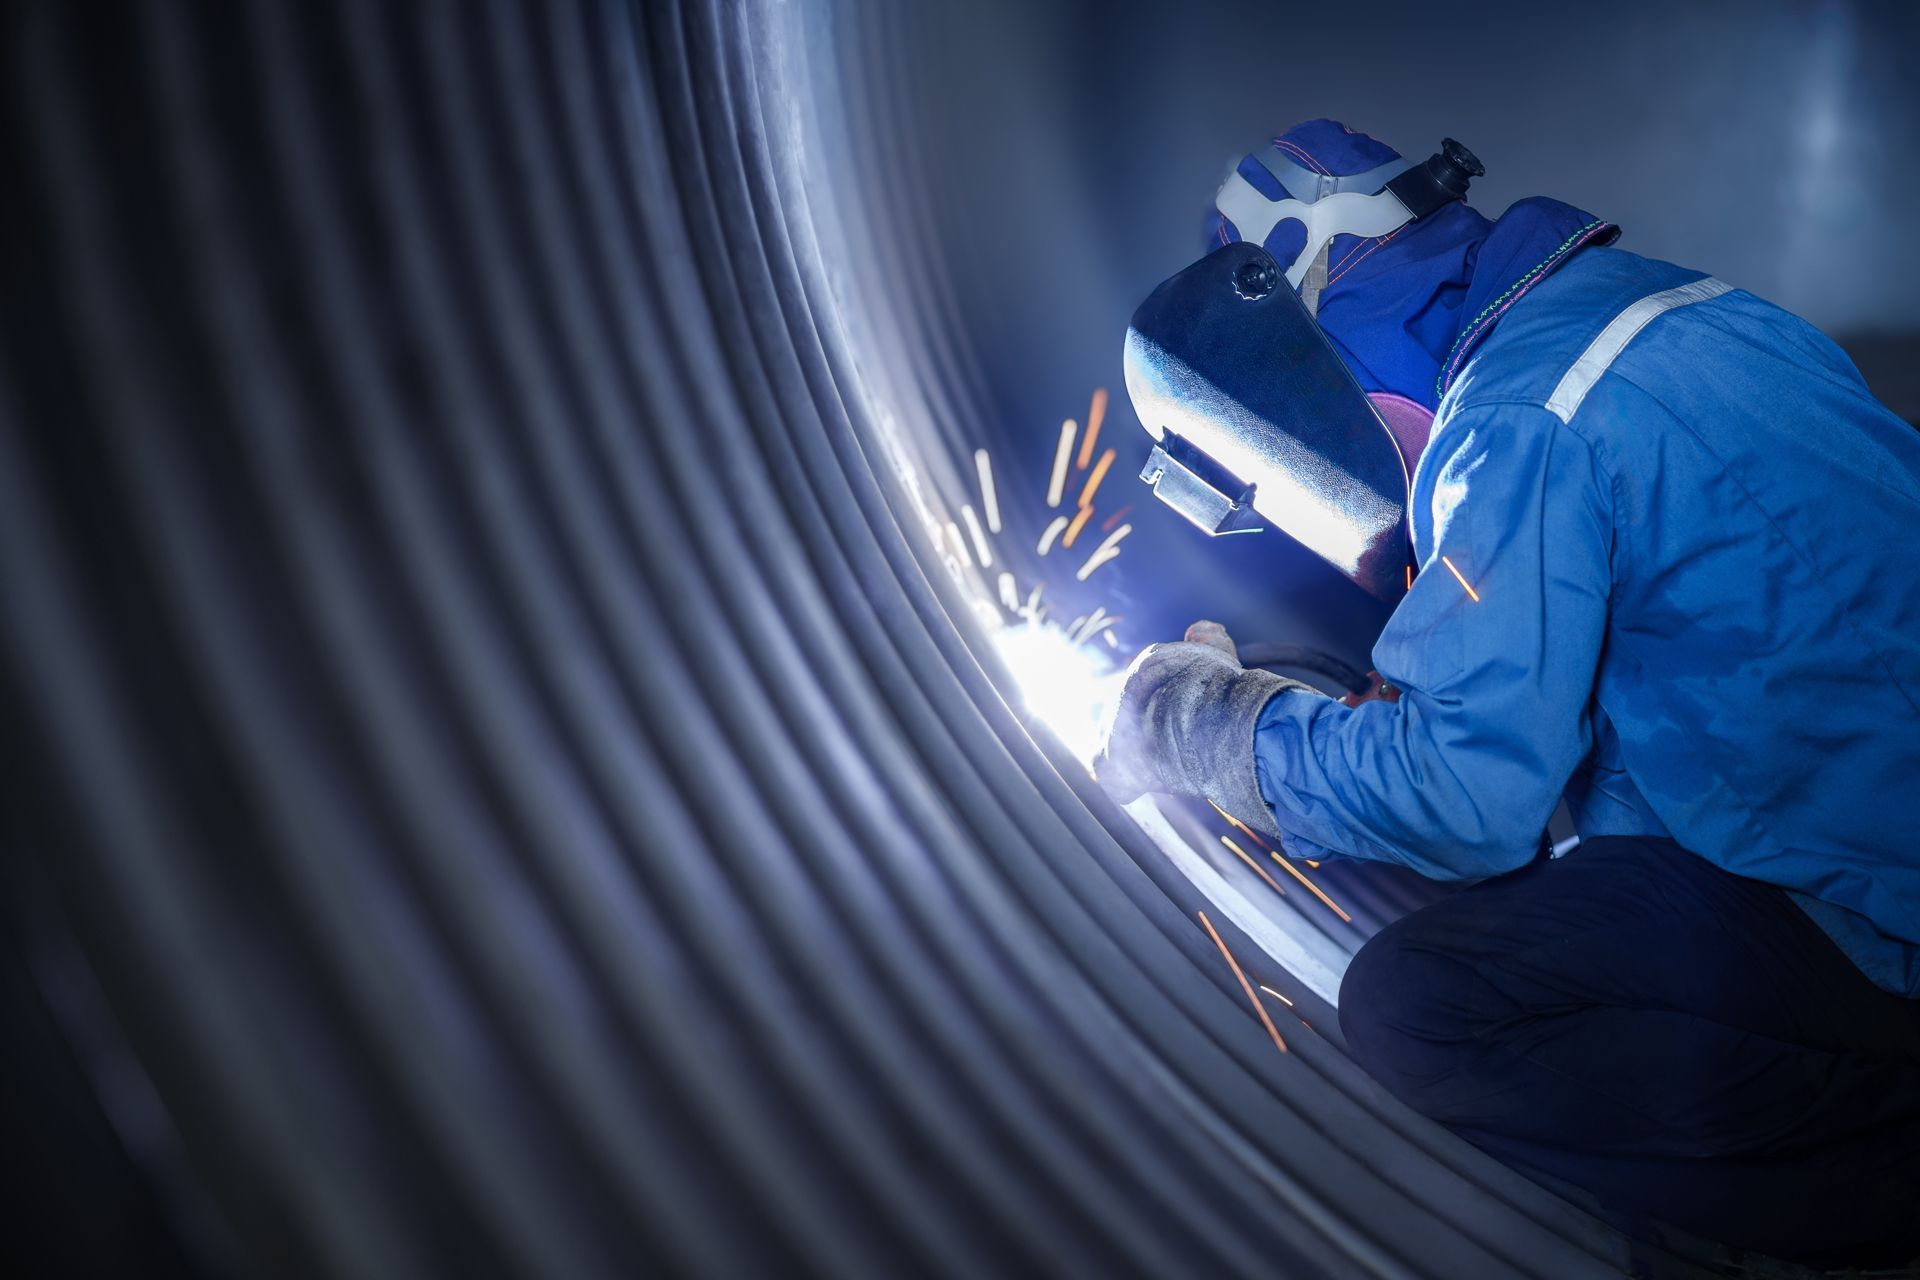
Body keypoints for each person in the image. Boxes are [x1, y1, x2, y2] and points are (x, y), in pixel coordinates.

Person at [1095, 119, 1920, 1267]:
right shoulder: (1670, 311)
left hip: (1879, 913)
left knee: (1424, 1001)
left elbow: (1462, 800)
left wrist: (1209, 724)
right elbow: (1701, 698)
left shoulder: (1516, 421)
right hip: (1865, 838)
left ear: (1308, 316)